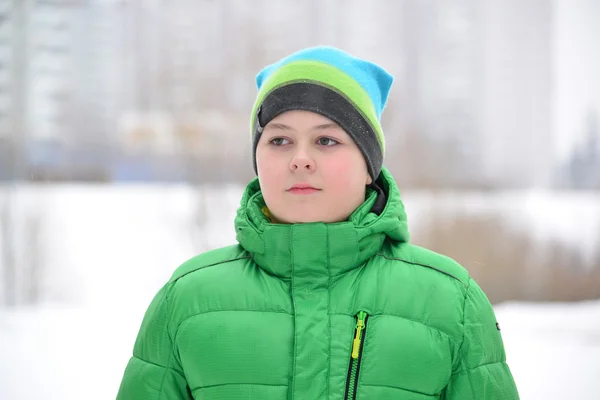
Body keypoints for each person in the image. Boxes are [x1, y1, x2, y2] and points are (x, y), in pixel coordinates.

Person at [116, 46, 520, 399]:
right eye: (279, 140)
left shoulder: (451, 302)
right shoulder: (188, 300)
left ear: (369, 167)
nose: (300, 159)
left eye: (326, 140)